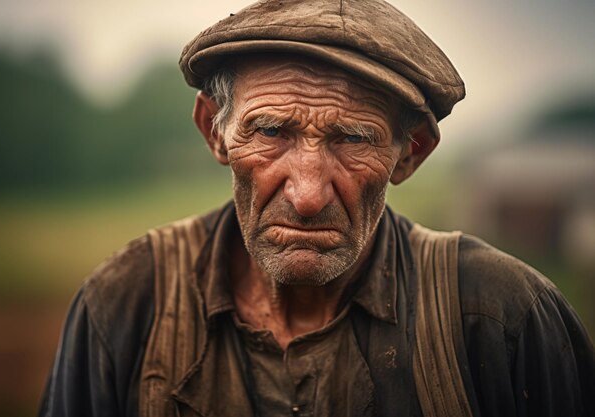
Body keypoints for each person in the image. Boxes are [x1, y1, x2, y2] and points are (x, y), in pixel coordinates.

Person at [39, 0, 595, 416]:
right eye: (272, 130)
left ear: (410, 153)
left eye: (353, 138)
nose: (308, 196)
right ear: (216, 132)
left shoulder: (502, 320)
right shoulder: (125, 305)